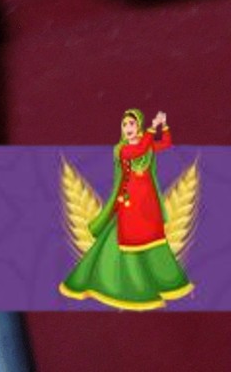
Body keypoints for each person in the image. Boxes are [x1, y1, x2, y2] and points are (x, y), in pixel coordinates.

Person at [61, 109, 195, 309]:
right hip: (130, 202)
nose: (128, 128)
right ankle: (130, 285)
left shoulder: (146, 146)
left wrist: (163, 125)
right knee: (131, 239)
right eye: (124, 125)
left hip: (148, 202)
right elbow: (138, 150)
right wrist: (152, 129)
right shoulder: (122, 150)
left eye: (131, 124)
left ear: (138, 126)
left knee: (154, 238)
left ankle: (164, 280)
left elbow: (165, 144)